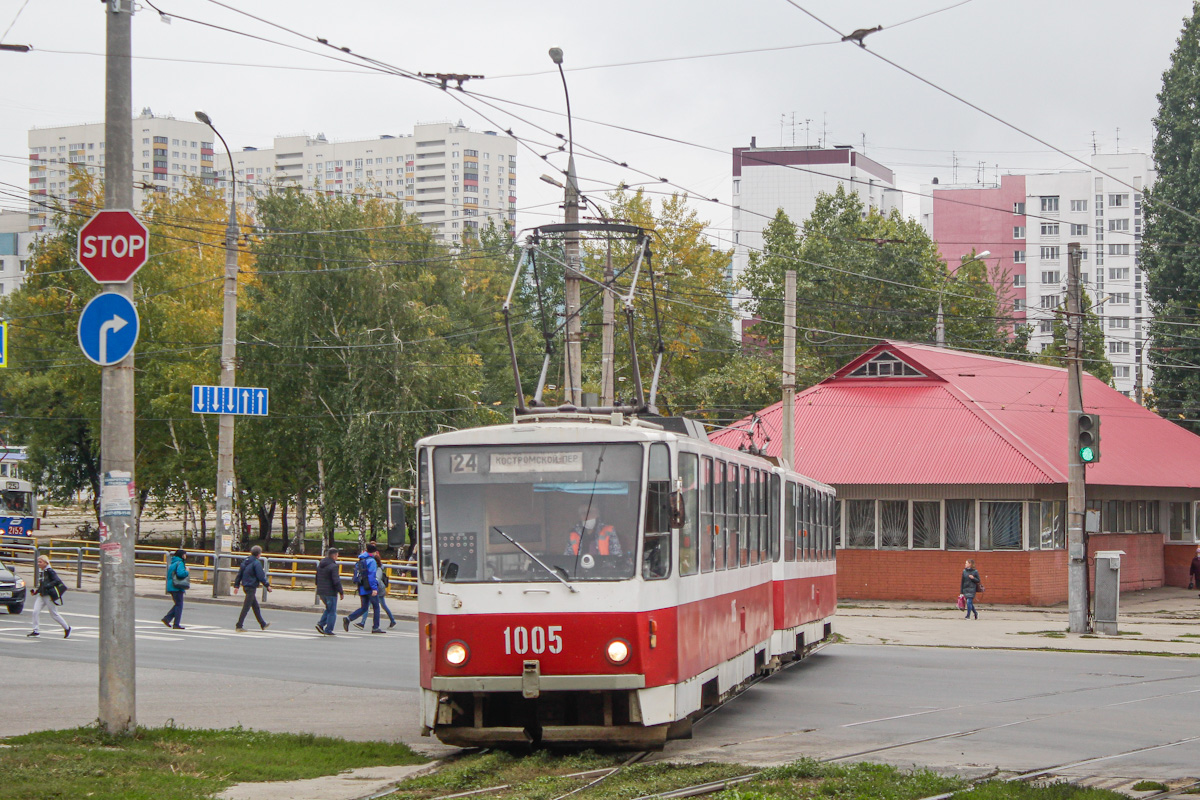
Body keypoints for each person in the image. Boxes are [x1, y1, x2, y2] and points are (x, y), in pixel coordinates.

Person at [344, 542, 384, 633]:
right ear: (373, 552)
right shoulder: (372, 561)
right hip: (369, 588)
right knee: (376, 607)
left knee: (364, 607)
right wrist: (374, 588)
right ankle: (375, 627)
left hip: (361, 587)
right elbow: (371, 576)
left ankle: (348, 618)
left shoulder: (361, 559)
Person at [28, 555, 70, 638]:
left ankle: (67, 628)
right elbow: (42, 584)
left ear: (46, 563)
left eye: (40, 562)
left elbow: (57, 581)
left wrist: (47, 586)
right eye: (38, 562)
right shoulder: (42, 571)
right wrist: (36, 591)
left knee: (54, 614)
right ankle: (35, 631)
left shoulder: (50, 571)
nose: (38, 563)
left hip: (49, 595)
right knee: (35, 612)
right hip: (42, 595)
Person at [233, 545, 272, 631]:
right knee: (246, 607)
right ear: (258, 554)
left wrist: (236, 586)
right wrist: (267, 585)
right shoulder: (256, 563)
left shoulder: (245, 561)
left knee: (255, 606)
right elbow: (260, 576)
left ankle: (263, 624)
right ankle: (239, 626)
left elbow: (239, 574)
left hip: (246, 586)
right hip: (251, 586)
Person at [315, 547, 344, 635]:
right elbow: (336, 581)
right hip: (330, 592)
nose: (337, 556)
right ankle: (328, 629)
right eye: (337, 555)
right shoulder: (333, 566)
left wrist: (319, 589)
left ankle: (321, 624)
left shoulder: (321, 564)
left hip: (321, 591)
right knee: (332, 612)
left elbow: (317, 578)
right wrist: (341, 592)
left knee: (329, 608)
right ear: (334, 556)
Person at [161, 548, 189, 629]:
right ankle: (176, 624)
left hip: (171, 586)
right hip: (177, 586)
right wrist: (187, 571)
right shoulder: (180, 563)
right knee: (179, 605)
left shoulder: (173, 563)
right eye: (185, 554)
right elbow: (180, 574)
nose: (185, 556)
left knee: (177, 604)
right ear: (182, 555)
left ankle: (167, 619)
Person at [372, 550, 397, 629]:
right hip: (379, 588)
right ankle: (392, 620)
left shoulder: (377, 568)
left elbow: (377, 579)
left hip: (378, 588)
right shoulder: (378, 566)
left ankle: (362, 622)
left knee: (369, 605)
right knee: (382, 605)